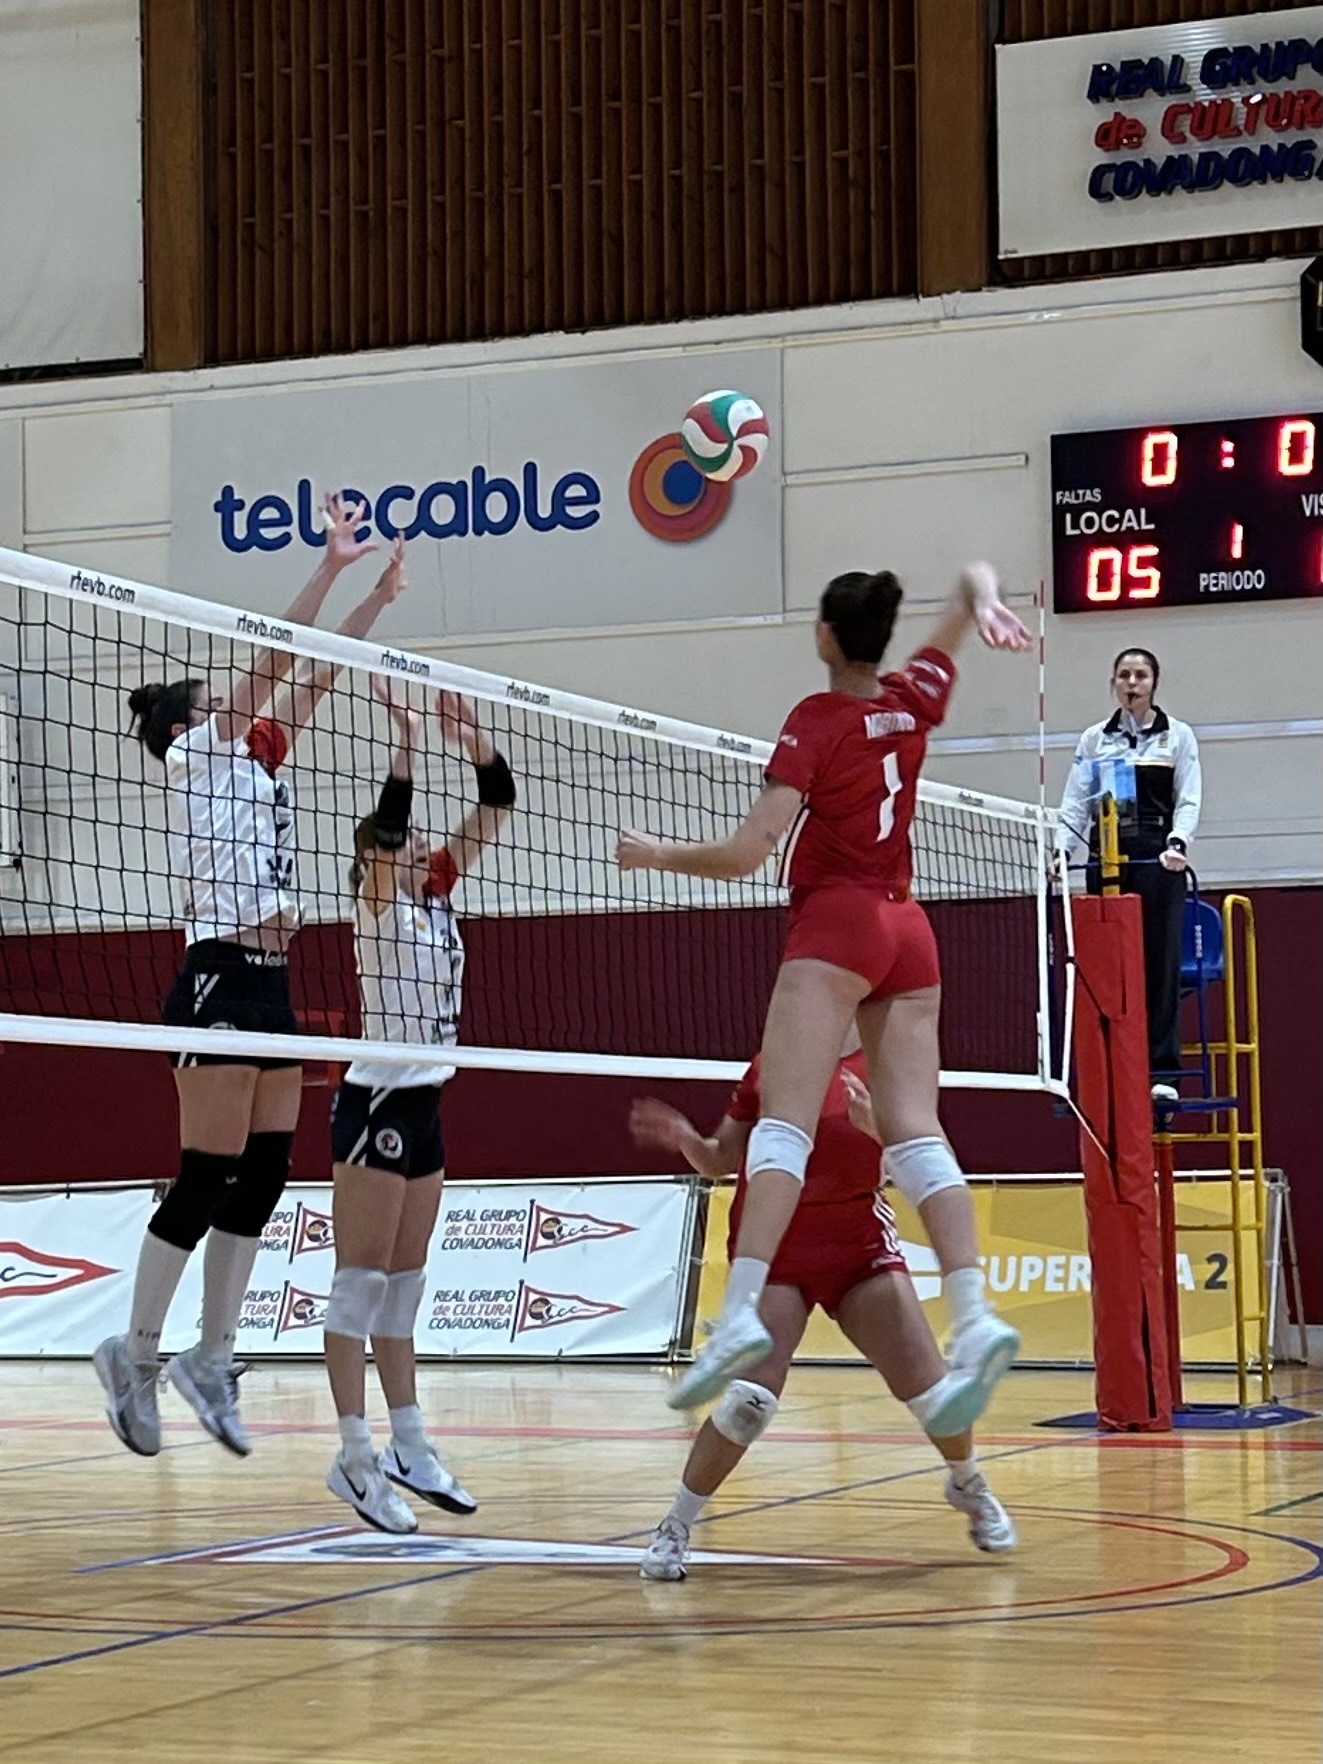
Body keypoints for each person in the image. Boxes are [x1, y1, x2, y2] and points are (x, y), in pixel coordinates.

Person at [617, 563, 1031, 1424]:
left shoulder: (815, 719)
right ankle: (974, 1313)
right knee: (915, 1128)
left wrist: (657, 854)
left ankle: (738, 1316)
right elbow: (966, 586)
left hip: (838, 922)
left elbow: (747, 853)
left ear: (824, 636)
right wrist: (985, 600)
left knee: (783, 1125)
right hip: (907, 928)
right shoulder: (913, 698)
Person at [94, 498, 403, 1459]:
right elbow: (275, 657)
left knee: (264, 1173)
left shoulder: (256, 766)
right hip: (217, 976)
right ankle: (134, 1353)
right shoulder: (195, 755)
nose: (241, 708)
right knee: (207, 1172)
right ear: (188, 723)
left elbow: (317, 671)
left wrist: (375, 598)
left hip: (271, 980)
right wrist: (329, 565)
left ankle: (212, 1355)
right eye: (218, 701)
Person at [630, 1041, 1016, 1580]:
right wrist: (686, 1140)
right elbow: (720, 1160)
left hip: (858, 1248)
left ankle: (967, 1482)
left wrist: (878, 1127)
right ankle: (675, 1525)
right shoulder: (774, 1061)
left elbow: (927, 1164)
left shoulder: (889, 1059)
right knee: (748, 1403)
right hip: (775, 1253)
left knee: (937, 1398)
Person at [323, 680, 515, 1533]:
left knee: (403, 1288)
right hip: (375, 1102)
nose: (423, 849)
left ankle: (408, 1442)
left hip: (425, 1102)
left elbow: (498, 804)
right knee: (358, 1287)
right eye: (401, 846)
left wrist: (471, 742)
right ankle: (352, 1455)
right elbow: (391, 831)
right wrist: (404, 743)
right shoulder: (375, 909)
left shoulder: (435, 899)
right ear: (378, 858)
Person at [1057, 648, 1201, 1104]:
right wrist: (1061, 851)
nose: (1132, 683)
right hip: (1106, 859)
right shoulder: (1094, 740)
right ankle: (1110, 1067)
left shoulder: (1177, 736)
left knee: (1159, 964)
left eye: (1140, 675)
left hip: (1157, 858)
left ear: (1154, 683)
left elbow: (1188, 797)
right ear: (1113, 683)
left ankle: (1163, 1073)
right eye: (1124, 675)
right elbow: (1076, 802)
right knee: (1106, 968)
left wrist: (1178, 843)